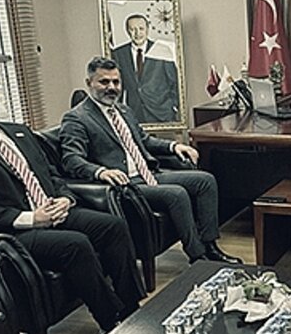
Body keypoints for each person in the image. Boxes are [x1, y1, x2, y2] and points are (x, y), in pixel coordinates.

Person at [0, 64, 144, 332]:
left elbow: (51, 174)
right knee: (75, 244)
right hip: (7, 229)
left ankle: (132, 308)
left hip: (50, 211)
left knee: (113, 226)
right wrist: (31, 218)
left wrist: (65, 198)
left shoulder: (17, 131)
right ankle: (111, 321)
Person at [60, 56, 243, 265]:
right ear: (89, 83)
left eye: (116, 82)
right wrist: (101, 171)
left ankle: (210, 246)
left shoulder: (123, 110)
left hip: (147, 173)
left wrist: (174, 146)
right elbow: (71, 159)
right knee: (177, 194)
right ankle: (198, 256)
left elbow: (144, 140)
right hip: (124, 185)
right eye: (104, 82)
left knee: (205, 181)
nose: (111, 87)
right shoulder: (77, 118)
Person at [110, 14, 179, 123]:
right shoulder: (119, 54)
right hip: (135, 114)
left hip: (162, 113)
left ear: (147, 29)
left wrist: (174, 106)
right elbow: (118, 85)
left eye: (141, 28)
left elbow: (174, 82)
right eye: (133, 29)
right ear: (127, 31)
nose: (137, 33)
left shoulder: (162, 49)